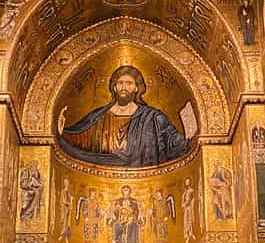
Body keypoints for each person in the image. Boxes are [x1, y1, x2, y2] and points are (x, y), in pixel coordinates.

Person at [57, 65, 194, 167]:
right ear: (114, 87)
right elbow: (80, 138)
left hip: (146, 178)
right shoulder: (99, 116)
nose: (124, 87)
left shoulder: (153, 118)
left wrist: (191, 131)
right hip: (102, 171)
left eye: (129, 83)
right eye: (120, 83)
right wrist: (63, 131)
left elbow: (174, 143)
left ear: (136, 88)